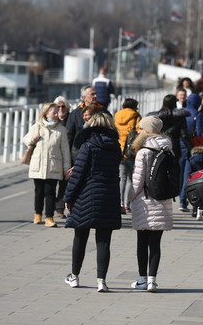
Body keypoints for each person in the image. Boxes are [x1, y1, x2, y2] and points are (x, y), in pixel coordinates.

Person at [64, 112, 122, 293]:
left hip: (87, 195)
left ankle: (74, 277)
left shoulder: (88, 145)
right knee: (104, 240)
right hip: (109, 195)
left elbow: (79, 173)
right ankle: (101, 281)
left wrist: (68, 197)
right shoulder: (115, 146)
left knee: (80, 237)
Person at [128, 116, 174, 293]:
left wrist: (130, 197)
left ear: (147, 130)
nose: (138, 131)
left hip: (144, 201)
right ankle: (152, 281)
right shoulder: (167, 148)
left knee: (142, 242)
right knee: (156, 243)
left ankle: (142, 279)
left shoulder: (143, 151)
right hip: (162, 200)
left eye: (141, 128)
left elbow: (137, 181)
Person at [23, 103, 71, 227]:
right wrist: (34, 138)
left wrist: (66, 169)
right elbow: (25, 140)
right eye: (53, 112)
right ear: (46, 113)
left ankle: (49, 217)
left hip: (53, 166)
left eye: (57, 112)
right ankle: (37, 214)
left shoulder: (61, 130)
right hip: (38, 165)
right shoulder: (37, 126)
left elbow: (65, 151)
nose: (57, 114)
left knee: (50, 192)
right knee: (39, 192)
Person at [148, 94, 193, 212]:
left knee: (159, 173)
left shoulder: (157, 117)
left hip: (159, 147)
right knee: (174, 175)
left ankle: (159, 200)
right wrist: (192, 148)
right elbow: (184, 136)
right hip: (174, 148)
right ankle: (173, 197)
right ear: (175, 103)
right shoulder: (180, 117)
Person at [114, 98, 141, 214]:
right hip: (131, 151)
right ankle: (126, 204)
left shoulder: (116, 116)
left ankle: (119, 202)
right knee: (130, 177)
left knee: (121, 177)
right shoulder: (136, 117)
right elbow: (140, 132)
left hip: (118, 150)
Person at [66, 85, 107, 161]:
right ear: (84, 97)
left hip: (99, 155)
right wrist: (68, 160)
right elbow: (69, 136)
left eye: (96, 94)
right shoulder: (75, 114)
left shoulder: (104, 112)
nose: (95, 96)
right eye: (92, 94)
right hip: (79, 156)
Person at [54, 95, 71, 219]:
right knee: (50, 186)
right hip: (54, 156)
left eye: (63, 106)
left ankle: (60, 209)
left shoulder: (71, 119)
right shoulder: (51, 120)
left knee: (64, 184)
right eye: (58, 106)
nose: (61, 108)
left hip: (67, 156)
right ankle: (51, 207)